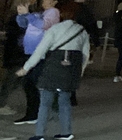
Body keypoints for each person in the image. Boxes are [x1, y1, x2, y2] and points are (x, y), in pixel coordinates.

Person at [16, 7, 89, 140]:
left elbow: (40, 50)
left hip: (53, 68)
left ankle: (39, 135)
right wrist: (80, 72)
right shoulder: (82, 31)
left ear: (61, 17)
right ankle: (66, 133)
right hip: (70, 71)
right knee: (65, 101)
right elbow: (85, 55)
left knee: (45, 103)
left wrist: (26, 68)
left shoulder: (55, 29)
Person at [15, 0, 61, 125]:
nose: (43, 1)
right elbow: (23, 24)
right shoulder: (40, 13)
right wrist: (22, 14)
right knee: (30, 83)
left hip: (40, 54)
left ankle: (34, 114)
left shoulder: (53, 12)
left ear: (54, 1)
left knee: (31, 83)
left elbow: (43, 25)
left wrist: (27, 15)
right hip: (32, 53)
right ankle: (35, 113)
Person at [0, 0, 31, 116]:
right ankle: (1, 104)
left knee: (13, 80)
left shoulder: (14, 16)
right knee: (11, 80)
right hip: (17, 54)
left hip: (16, 53)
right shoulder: (19, 18)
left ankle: (2, 103)